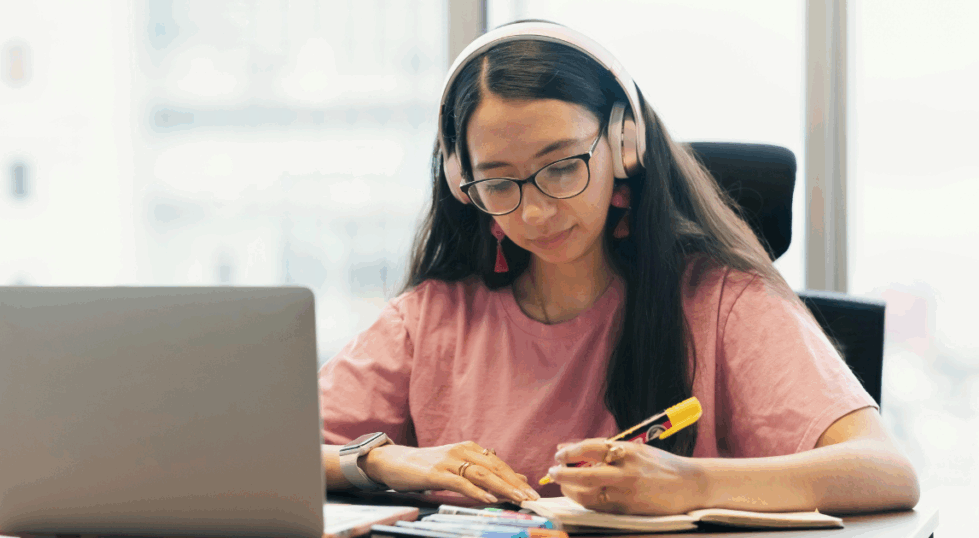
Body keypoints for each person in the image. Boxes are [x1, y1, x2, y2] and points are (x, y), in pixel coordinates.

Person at [317, 21, 920, 515]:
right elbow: (249, 454)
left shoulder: (718, 301)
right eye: (499, 182)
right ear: (461, 184)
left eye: (560, 166)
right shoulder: (430, 319)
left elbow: (884, 471)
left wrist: (692, 482)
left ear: (623, 145)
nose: (535, 210)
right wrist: (380, 460)